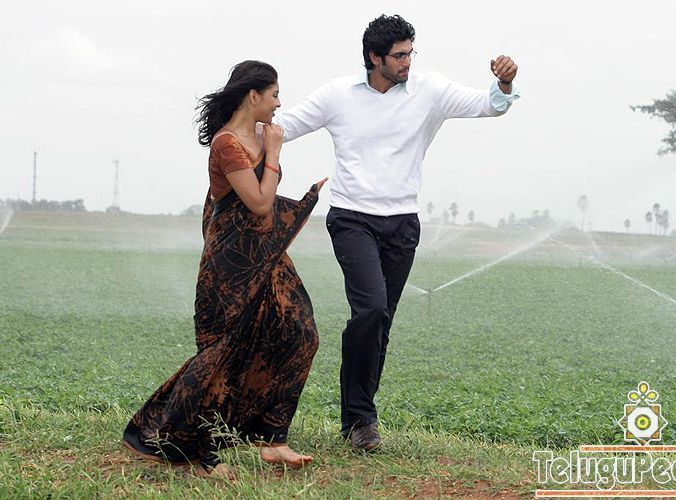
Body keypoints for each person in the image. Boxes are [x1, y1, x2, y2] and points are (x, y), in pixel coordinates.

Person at [274, 14, 520, 450]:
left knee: (379, 321)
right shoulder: (337, 95)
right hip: (352, 219)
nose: (408, 61)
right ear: (375, 58)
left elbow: (491, 105)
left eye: (410, 53)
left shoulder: (431, 90)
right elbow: (284, 128)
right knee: (370, 310)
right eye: (399, 55)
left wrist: (504, 82)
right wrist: (238, 128)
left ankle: (358, 422)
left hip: (403, 223)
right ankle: (361, 418)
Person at [122, 60, 327, 478]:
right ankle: (197, 453)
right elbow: (259, 203)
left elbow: (263, 209)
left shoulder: (260, 136)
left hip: (266, 258)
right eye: (274, 94)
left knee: (301, 334)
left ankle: (274, 439)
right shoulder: (227, 144)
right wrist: (275, 153)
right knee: (223, 355)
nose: (279, 103)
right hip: (232, 268)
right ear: (253, 96)